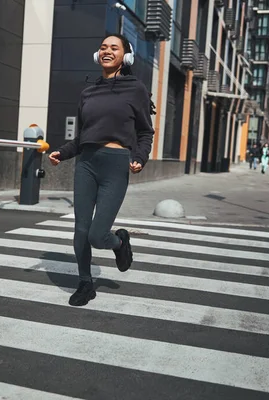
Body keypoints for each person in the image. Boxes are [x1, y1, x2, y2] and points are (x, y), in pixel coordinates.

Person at [48, 33, 155, 307]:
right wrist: (63, 152)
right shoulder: (88, 91)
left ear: (125, 56)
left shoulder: (136, 89)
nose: (107, 51)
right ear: (98, 55)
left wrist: (140, 157)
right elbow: (81, 137)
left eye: (114, 47)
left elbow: (145, 132)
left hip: (116, 166)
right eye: (103, 47)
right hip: (86, 164)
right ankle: (85, 283)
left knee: (98, 235)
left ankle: (119, 242)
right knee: (81, 230)